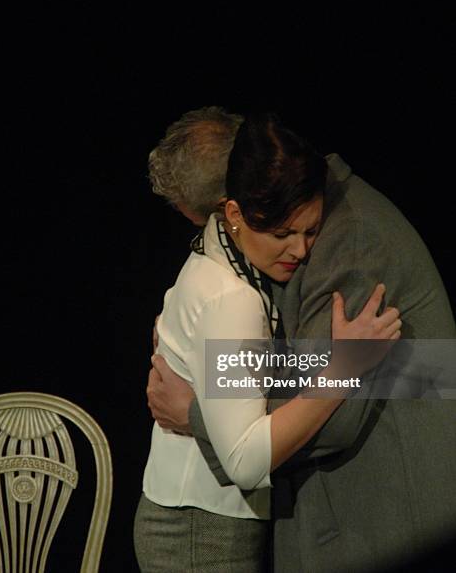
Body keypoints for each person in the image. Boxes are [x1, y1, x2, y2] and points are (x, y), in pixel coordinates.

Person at [147, 108, 456, 572]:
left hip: (383, 512)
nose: (299, 246)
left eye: (302, 231)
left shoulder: (349, 245)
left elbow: (335, 417)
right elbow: (298, 371)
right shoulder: (236, 273)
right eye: (284, 233)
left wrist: (195, 409)